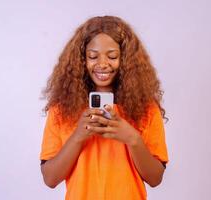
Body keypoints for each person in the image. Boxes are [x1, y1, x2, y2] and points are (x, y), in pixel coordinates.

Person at [40, 15, 169, 200]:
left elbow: (155, 178)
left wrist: (132, 138)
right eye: (93, 56)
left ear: (125, 59)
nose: (102, 64)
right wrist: (77, 137)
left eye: (112, 56)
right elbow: (50, 178)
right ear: (81, 60)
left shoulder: (146, 110)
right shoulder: (61, 110)